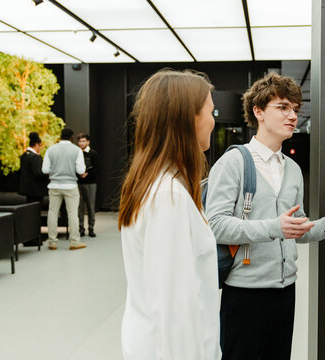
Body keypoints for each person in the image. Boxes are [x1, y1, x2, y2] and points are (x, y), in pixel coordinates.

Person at [205, 72, 325, 360]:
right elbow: (216, 224)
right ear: (258, 111)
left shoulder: (292, 169)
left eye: (295, 110)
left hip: (286, 290)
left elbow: (294, 229)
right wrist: (274, 226)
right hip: (245, 292)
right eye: (283, 107)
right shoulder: (233, 162)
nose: (292, 116)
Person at [118, 70, 220, 360]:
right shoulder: (168, 197)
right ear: (188, 119)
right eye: (210, 112)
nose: (213, 121)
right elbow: (172, 310)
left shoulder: (155, 186)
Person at [42, 128, 87, 251]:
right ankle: (74, 242)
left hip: (54, 186)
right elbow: (81, 170)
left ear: (60, 136)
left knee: (52, 213)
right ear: (71, 137)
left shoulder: (50, 149)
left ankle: (52, 242)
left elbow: (45, 170)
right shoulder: (77, 150)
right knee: (72, 214)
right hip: (71, 186)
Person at [77, 133, 99, 238]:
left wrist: (87, 174)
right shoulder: (76, 153)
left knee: (90, 207)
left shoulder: (93, 153)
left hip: (90, 183)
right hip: (78, 183)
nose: (81, 143)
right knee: (79, 208)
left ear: (88, 142)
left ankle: (91, 228)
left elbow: (97, 168)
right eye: (80, 141)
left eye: (83, 141)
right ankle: (81, 228)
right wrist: (79, 174)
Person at [18, 131, 48, 206]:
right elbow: (38, 173)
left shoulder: (24, 156)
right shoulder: (34, 157)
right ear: (36, 145)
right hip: (36, 190)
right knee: (36, 210)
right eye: (40, 146)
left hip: (27, 189)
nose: (40, 148)